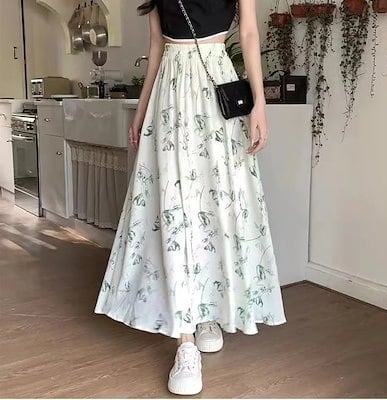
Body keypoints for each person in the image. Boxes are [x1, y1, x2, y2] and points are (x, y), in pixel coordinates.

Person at [94, 0, 287, 395]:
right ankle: (185, 340)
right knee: (175, 207)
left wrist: (260, 103)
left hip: (217, 90)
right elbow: (157, 47)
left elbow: (249, 33)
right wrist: (141, 109)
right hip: (169, 96)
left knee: (217, 207)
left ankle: (207, 311)